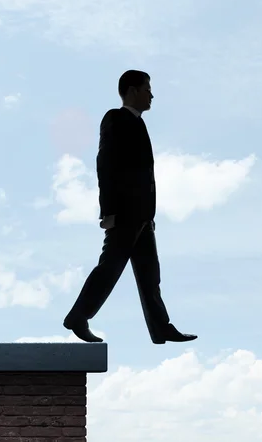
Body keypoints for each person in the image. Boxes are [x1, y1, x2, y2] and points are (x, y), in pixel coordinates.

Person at [63, 70, 197, 344]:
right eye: (148, 88)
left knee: (151, 276)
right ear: (133, 90)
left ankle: (161, 327)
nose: (151, 94)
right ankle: (78, 317)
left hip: (143, 217)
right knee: (110, 268)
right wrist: (108, 212)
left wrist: (150, 214)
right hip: (124, 214)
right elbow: (105, 165)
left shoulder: (140, 124)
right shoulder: (115, 118)